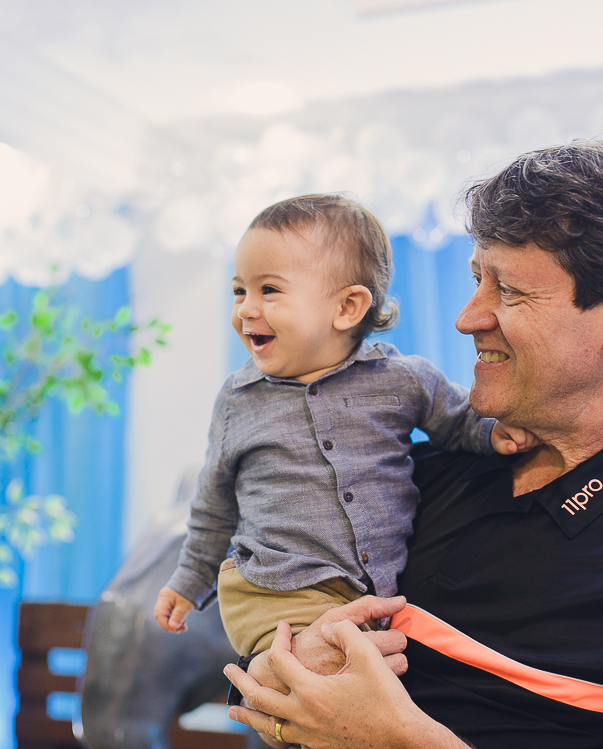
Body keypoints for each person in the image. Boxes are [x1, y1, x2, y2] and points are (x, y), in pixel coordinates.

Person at [224, 141, 603, 748]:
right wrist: (282, 672)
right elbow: (268, 605)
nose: (467, 317)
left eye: (508, 290)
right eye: (475, 279)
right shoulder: (405, 475)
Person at [154, 194, 537, 657]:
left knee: (372, 680)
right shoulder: (239, 399)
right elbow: (214, 505)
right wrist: (189, 580)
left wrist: (493, 433)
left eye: (269, 290)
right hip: (269, 590)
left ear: (348, 307)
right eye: (239, 291)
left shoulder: (402, 380)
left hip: (364, 595)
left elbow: (458, 420)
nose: (246, 309)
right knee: (321, 673)